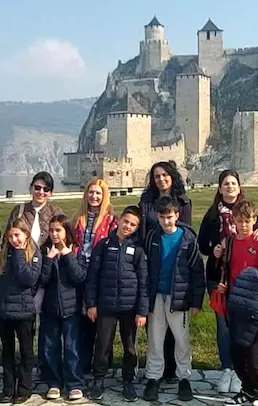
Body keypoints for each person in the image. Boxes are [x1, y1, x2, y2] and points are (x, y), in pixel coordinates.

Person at [198, 169, 258, 393]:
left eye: (233, 183)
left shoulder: (247, 212)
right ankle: (227, 368)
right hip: (218, 277)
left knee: (245, 327)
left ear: (239, 187)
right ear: (220, 189)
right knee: (224, 327)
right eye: (225, 184)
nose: (229, 187)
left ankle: (243, 370)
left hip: (245, 281)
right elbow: (202, 245)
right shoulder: (212, 215)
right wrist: (214, 250)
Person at [214, 200, 258, 406]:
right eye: (240, 221)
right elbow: (227, 268)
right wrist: (223, 285)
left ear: (254, 220)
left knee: (254, 351)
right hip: (234, 302)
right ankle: (247, 389)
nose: (243, 225)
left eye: (247, 221)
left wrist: (256, 278)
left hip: (253, 304)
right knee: (237, 350)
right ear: (233, 221)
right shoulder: (230, 242)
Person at [143, 196, 206, 402]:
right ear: (157, 217)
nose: (166, 221)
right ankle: (153, 377)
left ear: (177, 216)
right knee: (155, 338)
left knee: (181, 339)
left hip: (179, 296)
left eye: (169, 217)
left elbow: (197, 272)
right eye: (162, 217)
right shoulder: (152, 237)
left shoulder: (187, 239)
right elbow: (146, 269)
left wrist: (196, 301)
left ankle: (184, 378)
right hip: (156, 296)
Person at [85, 206, 149, 402]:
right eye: (126, 221)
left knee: (129, 347)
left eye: (133, 224)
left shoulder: (138, 250)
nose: (127, 226)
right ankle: (98, 379)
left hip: (129, 308)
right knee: (103, 345)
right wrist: (91, 304)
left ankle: (128, 381)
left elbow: (144, 281)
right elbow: (93, 276)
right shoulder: (103, 245)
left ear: (136, 228)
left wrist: (142, 311)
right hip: (106, 306)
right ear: (119, 220)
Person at [6, 171, 64, 381]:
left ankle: (46, 365)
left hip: (47, 272)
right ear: (31, 188)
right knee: (26, 324)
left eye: (45, 189)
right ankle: (26, 366)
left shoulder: (56, 212)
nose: (41, 192)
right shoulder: (19, 210)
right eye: (37, 187)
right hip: (24, 272)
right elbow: (8, 239)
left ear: (51, 193)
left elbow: (62, 237)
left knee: (48, 323)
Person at [138, 161, 191, 382]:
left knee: (177, 327)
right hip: (152, 259)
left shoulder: (183, 201)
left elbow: (186, 231)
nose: (161, 179)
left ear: (172, 176)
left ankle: (174, 369)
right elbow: (142, 230)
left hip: (174, 262)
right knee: (156, 325)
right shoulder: (147, 201)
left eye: (164, 175)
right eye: (156, 176)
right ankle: (156, 371)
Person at [0, 219, 42, 405]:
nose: (14, 239)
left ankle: (24, 388)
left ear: (26, 235)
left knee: (26, 351)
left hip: (24, 312)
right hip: (5, 311)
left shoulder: (34, 254)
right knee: (8, 351)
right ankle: (8, 388)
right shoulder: (2, 256)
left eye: (17, 235)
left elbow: (28, 278)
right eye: (10, 236)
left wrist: (19, 253)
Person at [72, 179, 118, 376]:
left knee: (102, 321)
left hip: (101, 274)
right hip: (79, 272)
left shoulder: (111, 220)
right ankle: (83, 361)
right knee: (83, 319)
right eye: (91, 192)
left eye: (98, 193)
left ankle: (103, 363)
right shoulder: (77, 219)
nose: (94, 196)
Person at [38, 215, 87, 401]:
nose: (54, 234)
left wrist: (67, 256)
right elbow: (42, 280)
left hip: (71, 308)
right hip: (50, 308)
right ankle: (54, 382)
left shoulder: (76, 250)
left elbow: (79, 277)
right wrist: (49, 259)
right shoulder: (45, 251)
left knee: (71, 347)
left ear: (66, 231)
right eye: (51, 230)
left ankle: (75, 383)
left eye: (58, 230)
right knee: (50, 346)